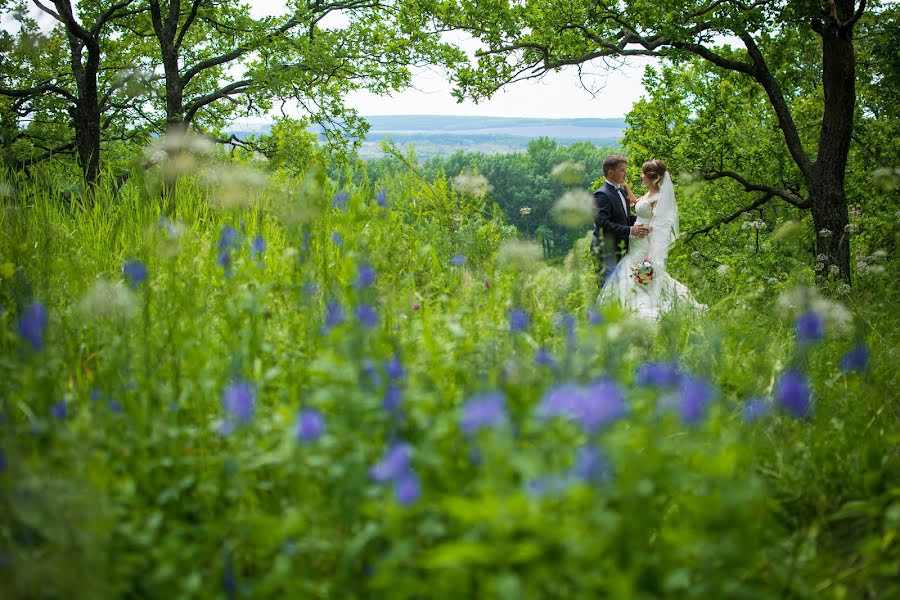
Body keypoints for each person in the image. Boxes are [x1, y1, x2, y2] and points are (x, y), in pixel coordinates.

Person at [597, 159, 706, 319]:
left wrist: (651, 257)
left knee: (640, 281)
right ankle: (620, 315)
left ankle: (640, 314)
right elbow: (640, 210)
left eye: (643, 174)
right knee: (627, 278)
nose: (641, 176)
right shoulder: (649, 194)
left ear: (652, 177)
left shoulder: (660, 198)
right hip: (634, 244)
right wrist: (626, 188)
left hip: (644, 246)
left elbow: (660, 230)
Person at [591, 155, 649, 285]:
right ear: (611, 173)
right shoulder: (602, 195)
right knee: (609, 290)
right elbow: (602, 225)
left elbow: (625, 218)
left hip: (621, 250)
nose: (626, 173)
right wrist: (630, 230)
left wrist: (646, 223)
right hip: (606, 253)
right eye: (622, 170)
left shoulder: (621, 191)